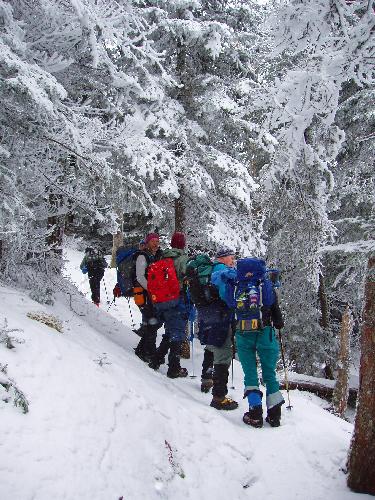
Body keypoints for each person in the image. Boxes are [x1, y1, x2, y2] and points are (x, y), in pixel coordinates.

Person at [235, 261, 285, 428]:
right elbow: (278, 319)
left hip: (243, 333)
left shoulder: (237, 285)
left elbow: (229, 304)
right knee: (269, 373)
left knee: (250, 373)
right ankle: (274, 415)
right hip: (265, 333)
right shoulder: (266, 285)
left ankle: (255, 414)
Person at [198, 246, 238, 410]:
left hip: (207, 316)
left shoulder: (208, 271)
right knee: (223, 355)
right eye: (231, 257)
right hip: (220, 316)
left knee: (211, 346)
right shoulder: (222, 271)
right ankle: (219, 397)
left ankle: (206, 378)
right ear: (222, 258)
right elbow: (227, 298)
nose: (233, 260)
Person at [148, 232, 190, 378]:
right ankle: (174, 368)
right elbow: (187, 277)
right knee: (177, 333)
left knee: (169, 331)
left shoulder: (163, 256)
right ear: (183, 244)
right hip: (176, 300)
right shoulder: (183, 259)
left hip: (162, 301)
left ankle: (156, 359)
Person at [133, 233, 163, 362]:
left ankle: (142, 350)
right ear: (147, 243)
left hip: (152, 295)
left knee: (153, 323)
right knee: (152, 322)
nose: (156, 243)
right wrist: (152, 289)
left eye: (157, 241)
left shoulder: (155, 256)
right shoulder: (142, 256)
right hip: (144, 294)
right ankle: (149, 353)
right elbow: (140, 277)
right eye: (153, 241)